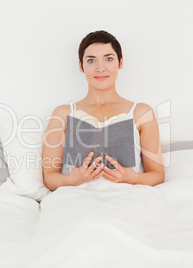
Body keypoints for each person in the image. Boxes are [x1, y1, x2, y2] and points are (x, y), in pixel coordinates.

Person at [42, 30, 164, 191]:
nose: (101, 68)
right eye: (91, 60)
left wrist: (133, 178)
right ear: (81, 66)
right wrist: (72, 180)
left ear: (120, 63)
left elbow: (157, 175)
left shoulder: (141, 112)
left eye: (108, 59)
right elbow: (49, 177)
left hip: (126, 197)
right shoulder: (63, 114)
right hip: (76, 198)